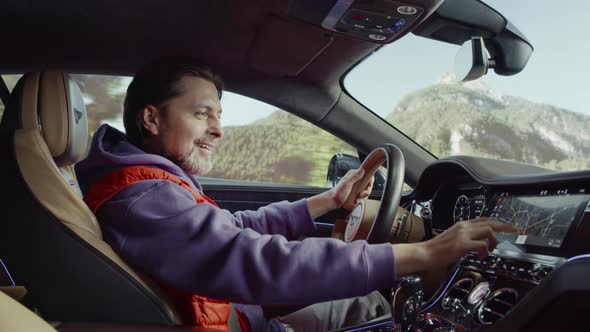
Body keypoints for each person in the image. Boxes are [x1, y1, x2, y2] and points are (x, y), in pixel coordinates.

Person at [75, 57, 516, 332]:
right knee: (379, 308)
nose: (218, 129)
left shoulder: (146, 184)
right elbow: (254, 260)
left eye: (218, 115)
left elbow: (232, 230)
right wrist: (425, 253)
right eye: (201, 114)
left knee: (369, 302)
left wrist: (329, 201)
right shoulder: (141, 197)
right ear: (151, 119)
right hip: (241, 321)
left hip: (241, 316)